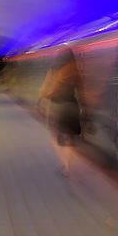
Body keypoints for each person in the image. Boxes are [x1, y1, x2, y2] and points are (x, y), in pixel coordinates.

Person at [38, 48, 85, 177]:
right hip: (72, 106)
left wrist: (41, 101)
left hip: (58, 107)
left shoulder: (54, 70)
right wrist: (86, 109)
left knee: (55, 136)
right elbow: (81, 91)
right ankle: (67, 167)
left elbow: (46, 88)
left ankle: (64, 164)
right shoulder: (75, 71)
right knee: (70, 139)